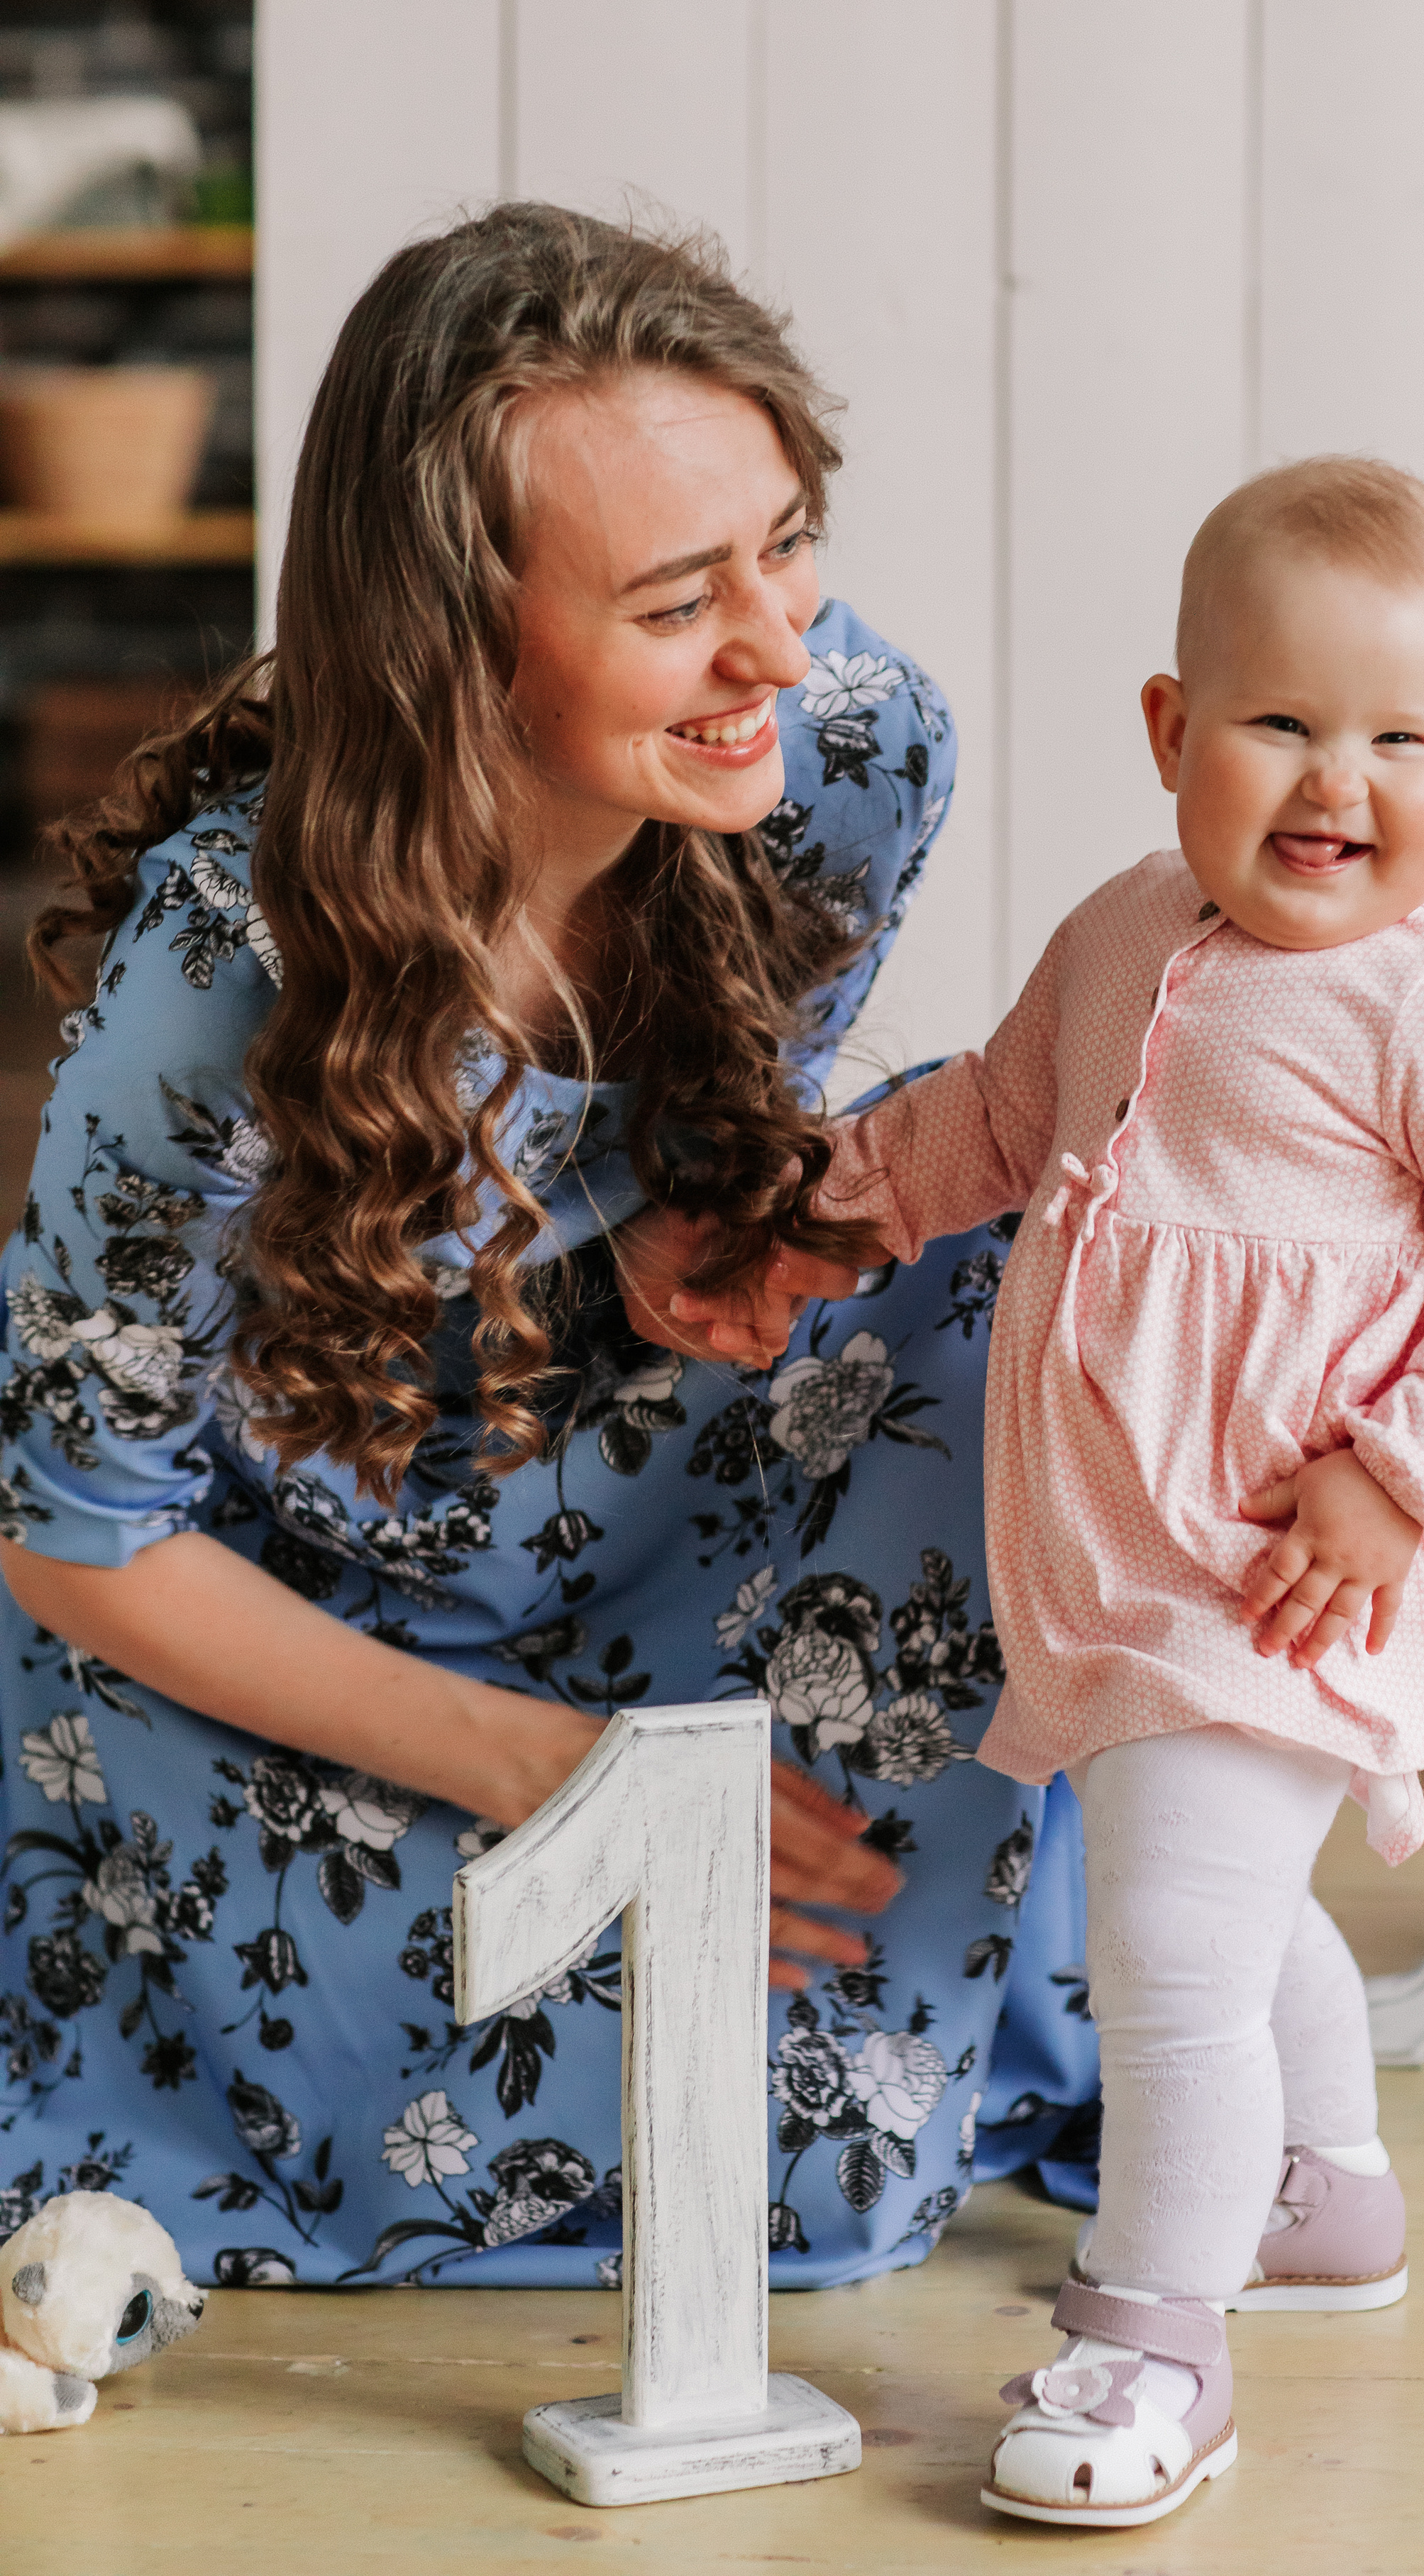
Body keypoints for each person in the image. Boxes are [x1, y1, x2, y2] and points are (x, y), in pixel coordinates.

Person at [0, 204, 1099, 2290]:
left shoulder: (849, 751)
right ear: (457, 644)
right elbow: (76, 1536)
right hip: (281, 1585)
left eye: (789, 544)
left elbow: (749, 1091)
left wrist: (724, 1208)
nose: (778, 650)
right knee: (513, 2083)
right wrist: (570, 1784)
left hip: (626, 1476)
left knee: (995, 1282)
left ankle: (900, 1986)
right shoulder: (226, 970)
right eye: (680, 600)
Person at [815, 458, 1424, 2525]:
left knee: (1170, 1950)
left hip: (1280, 1560)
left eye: (1402, 740)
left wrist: (1400, 1479)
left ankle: (1157, 2334)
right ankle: (1326, 2192)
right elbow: (998, 1119)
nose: (1337, 779)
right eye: (1280, 721)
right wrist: (845, 1202)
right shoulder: (1116, 933)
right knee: (1227, 1913)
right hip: (1110, 1550)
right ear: (1174, 730)